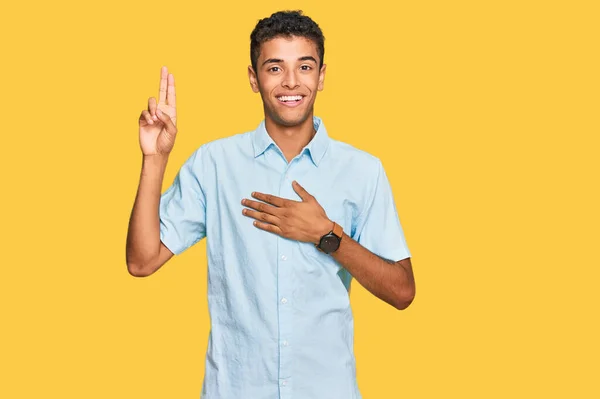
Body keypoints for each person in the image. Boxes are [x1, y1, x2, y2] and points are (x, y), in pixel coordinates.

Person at [126, 10, 415, 399]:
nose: (291, 82)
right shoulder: (214, 163)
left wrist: (327, 236)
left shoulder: (362, 170)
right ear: (253, 78)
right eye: (275, 67)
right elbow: (141, 261)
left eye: (305, 67)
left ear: (322, 76)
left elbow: (402, 291)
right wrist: (155, 159)